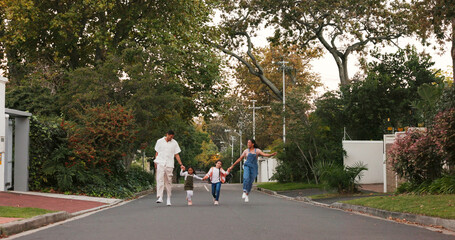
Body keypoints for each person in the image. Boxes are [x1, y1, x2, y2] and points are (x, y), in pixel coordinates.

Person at [154, 130, 185, 206]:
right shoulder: (159, 141)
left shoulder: (174, 143)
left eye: (172, 137)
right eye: (170, 136)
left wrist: (181, 164)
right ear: (167, 134)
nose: (171, 138)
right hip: (160, 163)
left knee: (168, 181)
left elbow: (176, 154)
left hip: (169, 164)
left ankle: (168, 198)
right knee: (159, 179)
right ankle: (160, 197)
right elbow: (157, 153)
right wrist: (156, 162)